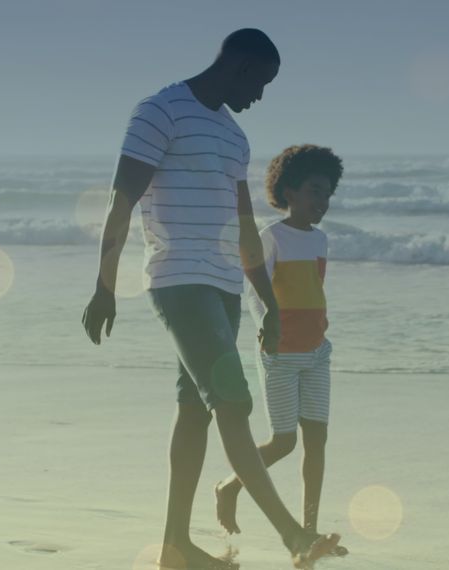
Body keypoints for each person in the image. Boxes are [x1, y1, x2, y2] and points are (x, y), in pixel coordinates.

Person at [81, 29, 342, 569]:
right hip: (179, 280)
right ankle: (293, 535)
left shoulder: (234, 136)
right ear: (241, 67)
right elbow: (121, 202)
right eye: (261, 83)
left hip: (223, 286)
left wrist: (268, 302)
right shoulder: (160, 111)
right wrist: (104, 286)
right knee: (235, 401)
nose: (260, 97)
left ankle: (176, 546)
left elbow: (246, 227)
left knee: (194, 413)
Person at [213, 145, 346, 558]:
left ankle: (309, 533)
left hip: (316, 352)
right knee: (284, 442)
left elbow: (312, 290)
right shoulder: (271, 237)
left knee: (318, 440)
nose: (322, 202)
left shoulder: (321, 239)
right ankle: (230, 485)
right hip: (280, 355)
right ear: (289, 191)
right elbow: (257, 290)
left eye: (328, 194)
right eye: (314, 191)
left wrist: (319, 326)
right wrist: (265, 328)